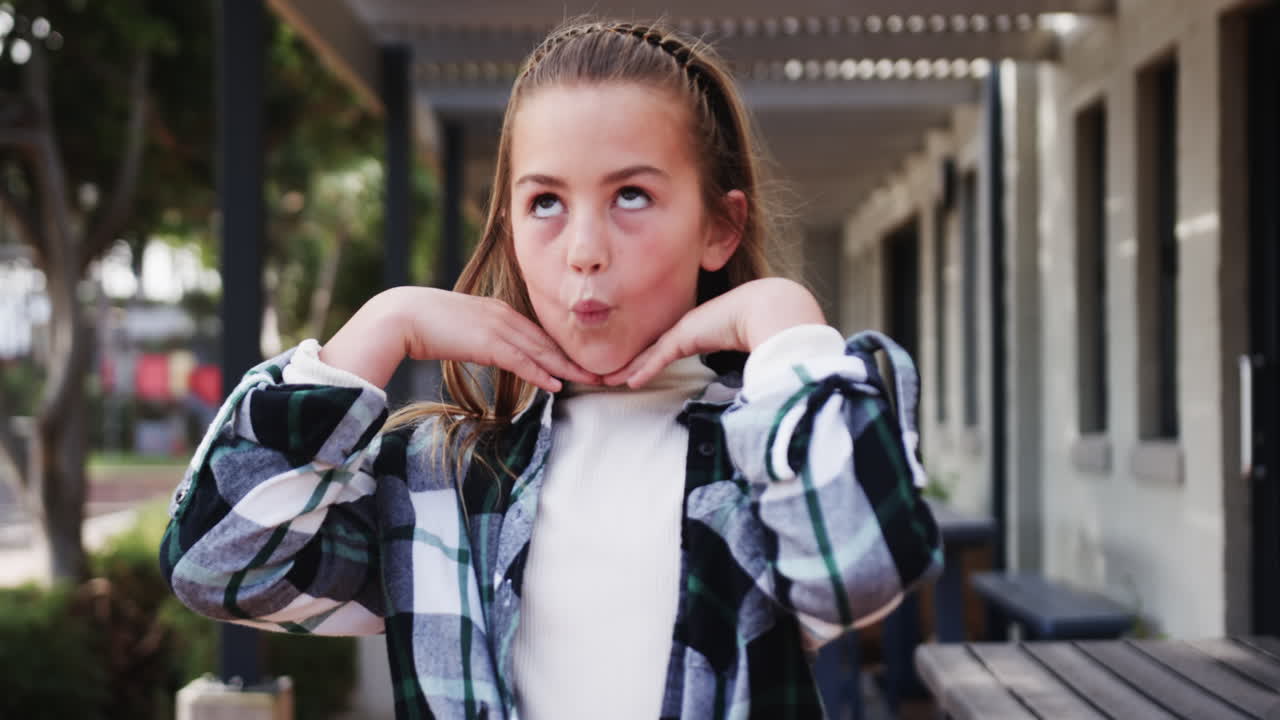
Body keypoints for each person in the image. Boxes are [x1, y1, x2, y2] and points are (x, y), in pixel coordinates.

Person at [161, 18, 941, 720]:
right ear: (507, 231)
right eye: (545, 203)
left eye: (631, 195)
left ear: (720, 226)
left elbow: (861, 567)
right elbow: (215, 564)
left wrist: (783, 319)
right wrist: (382, 322)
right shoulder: (440, 485)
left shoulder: (767, 452)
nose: (584, 249)